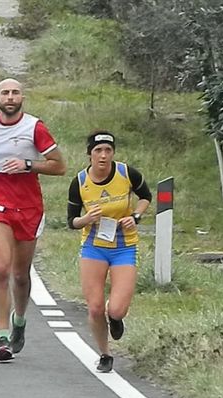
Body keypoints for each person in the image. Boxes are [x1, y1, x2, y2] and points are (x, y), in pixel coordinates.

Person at [0, 78, 66, 363]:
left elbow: (59, 166)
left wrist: (28, 165)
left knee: (21, 276)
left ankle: (19, 322)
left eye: (15, 93)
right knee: (1, 268)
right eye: (5, 93)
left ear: (22, 97)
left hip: (28, 207)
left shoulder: (34, 128)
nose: (10, 97)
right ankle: (2, 338)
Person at [67, 131, 152, 372]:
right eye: (98, 151)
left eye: (108, 150)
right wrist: (86, 219)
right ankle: (105, 354)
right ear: (89, 154)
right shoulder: (80, 181)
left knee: (115, 308)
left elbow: (146, 196)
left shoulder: (126, 173)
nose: (103, 156)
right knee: (94, 307)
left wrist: (135, 216)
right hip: (94, 246)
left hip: (124, 246)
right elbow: (71, 221)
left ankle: (115, 319)